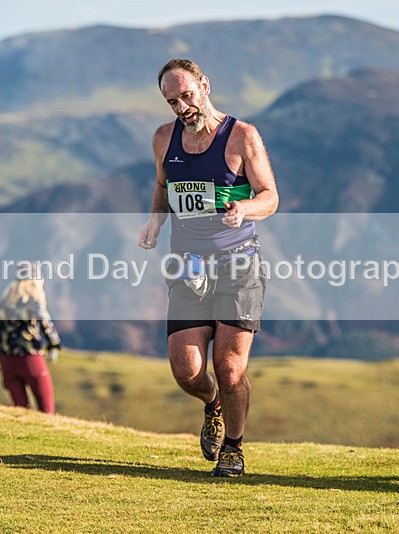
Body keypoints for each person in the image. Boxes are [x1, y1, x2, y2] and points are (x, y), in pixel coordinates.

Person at [138, 59, 279, 477]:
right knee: (187, 372)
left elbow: (270, 195)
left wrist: (246, 208)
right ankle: (212, 405)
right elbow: (164, 187)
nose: (181, 106)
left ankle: (233, 448)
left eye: (186, 95)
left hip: (239, 264)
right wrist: (154, 220)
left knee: (230, 365)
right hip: (188, 266)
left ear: (204, 85)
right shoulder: (165, 138)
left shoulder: (242, 136)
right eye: (171, 101)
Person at [0, 270, 61, 414]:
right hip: (30, 359)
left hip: (7, 361)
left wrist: (1, 361)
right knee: (46, 410)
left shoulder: (4, 304)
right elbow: (46, 324)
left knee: (21, 411)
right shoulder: (33, 302)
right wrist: (54, 345)